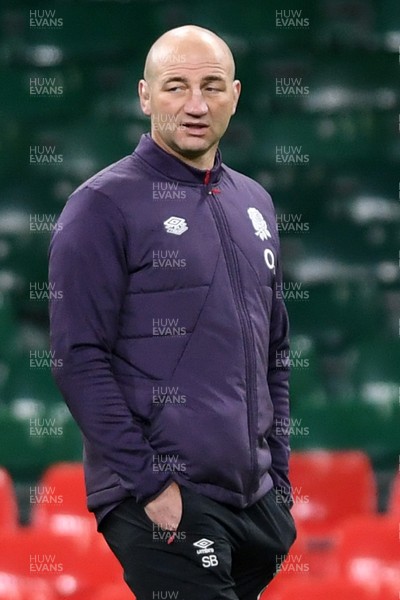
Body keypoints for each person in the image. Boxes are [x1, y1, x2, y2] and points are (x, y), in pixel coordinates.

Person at [49, 24, 296, 600]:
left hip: (254, 502)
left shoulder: (254, 201)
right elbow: (76, 358)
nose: (195, 104)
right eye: (175, 87)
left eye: (211, 86)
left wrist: (278, 480)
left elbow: (275, 354)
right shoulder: (100, 206)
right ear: (143, 96)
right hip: (163, 495)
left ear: (235, 95)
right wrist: (150, 484)